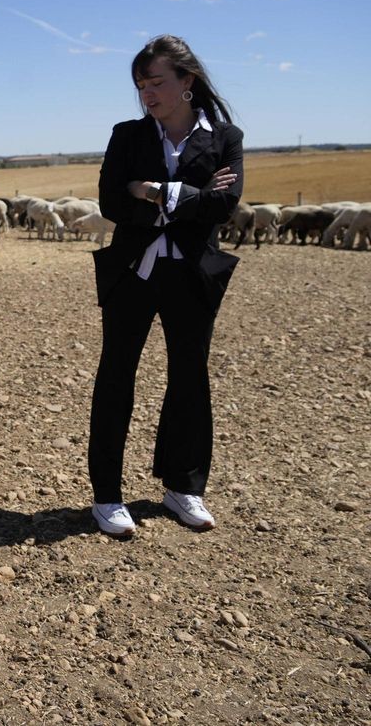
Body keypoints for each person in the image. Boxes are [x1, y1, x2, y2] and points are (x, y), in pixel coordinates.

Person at [88, 34, 243, 537]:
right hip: (133, 272)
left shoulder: (225, 138)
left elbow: (225, 205)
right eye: (140, 85)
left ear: (187, 83)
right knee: (116, 379)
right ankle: (107, 497)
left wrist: (156, 190)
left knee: (190, 379)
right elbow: (112, 201)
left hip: (192, 274)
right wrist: (191, 197)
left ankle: (184, 487)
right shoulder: (127, 135)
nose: (147, 94)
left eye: (156, 83)